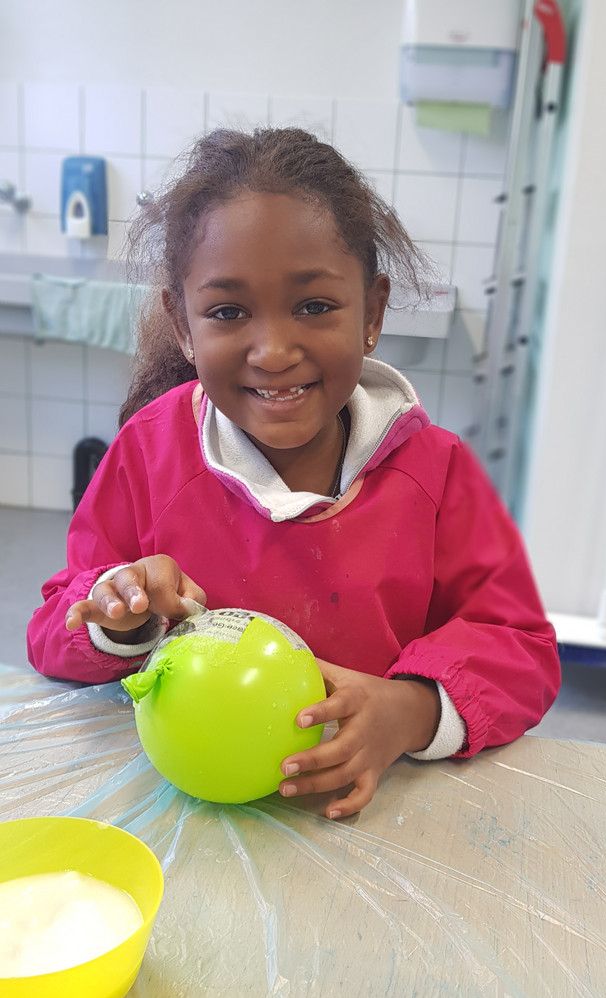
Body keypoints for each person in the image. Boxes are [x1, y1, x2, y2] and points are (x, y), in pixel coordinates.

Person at [27, 127, 560, 820]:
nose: (274, 351)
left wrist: (411, 710)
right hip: (189, 805)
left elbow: (521, 649)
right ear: (183, 326)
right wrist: (119, 616)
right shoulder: (149, 454)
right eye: (227, 312)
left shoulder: (436, 473)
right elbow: (54, 626)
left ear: (371, 313)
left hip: (364, 815)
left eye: (314, 306)